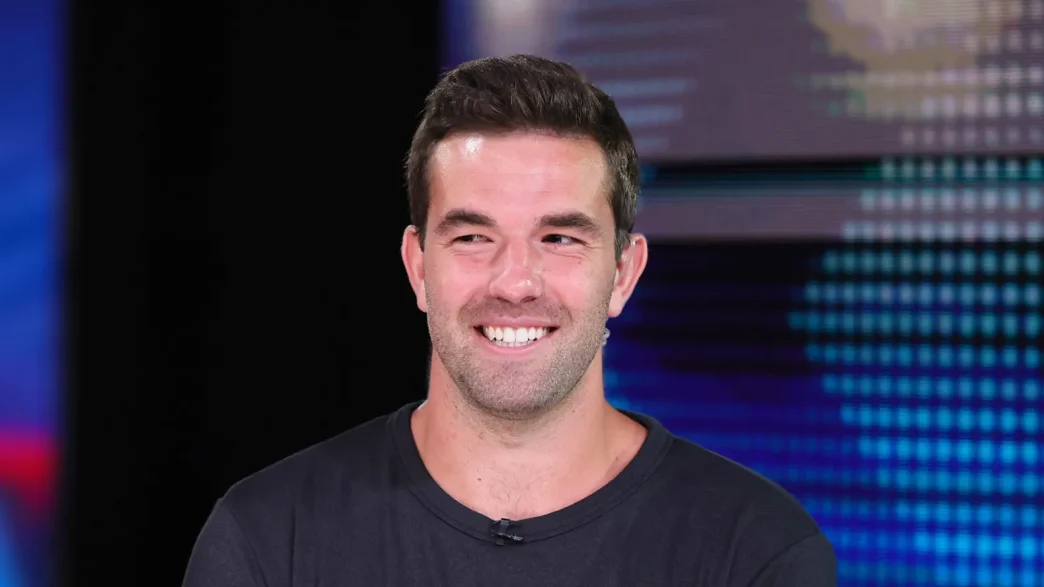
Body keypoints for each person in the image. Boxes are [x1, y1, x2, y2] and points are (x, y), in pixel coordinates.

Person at [182, 54, 837, 587]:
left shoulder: (756, 551)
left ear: (623, 273)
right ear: (417, 266)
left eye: (559, 238)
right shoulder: (270, 538)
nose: (515, 283)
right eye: (473, 237)